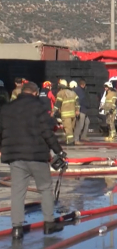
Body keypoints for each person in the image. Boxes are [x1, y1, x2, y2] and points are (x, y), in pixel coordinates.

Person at [0, 82, 65, 240]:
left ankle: (16, 229)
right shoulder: (39, 108)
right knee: (45, 188)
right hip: (37, 155)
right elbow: (47, 132)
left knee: (17, 192)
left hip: (15, 157)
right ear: (35, 93)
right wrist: (59, 151)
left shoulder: (7, 108)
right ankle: (49, 224)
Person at [52, 79, 80, 145]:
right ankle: (70, 140)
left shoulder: (60, 93)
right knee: (71, 128)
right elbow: (77, 102)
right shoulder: (73, 93)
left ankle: (70, 142)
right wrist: (77, 110)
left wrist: (53, 111)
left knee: (68, 129)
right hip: (73, 114)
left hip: (65, 114)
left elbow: (57, 104)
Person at [74, 79, 90, 144]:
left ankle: (83, 136)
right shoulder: (79, 91)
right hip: (81, 110)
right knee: (80, 125)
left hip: (84, 110)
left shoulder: (81, 90)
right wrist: (78, 110)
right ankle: (76, 139)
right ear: (82, 85)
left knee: (87, 122)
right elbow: (79, 100)